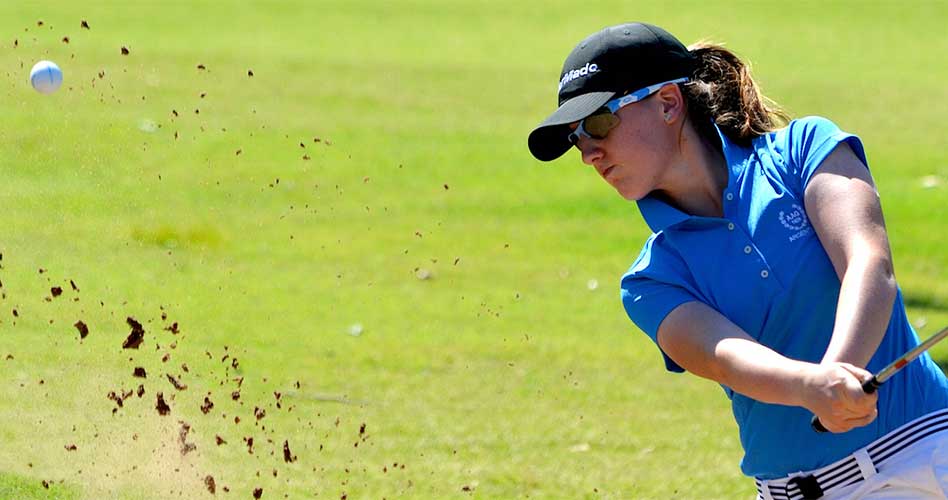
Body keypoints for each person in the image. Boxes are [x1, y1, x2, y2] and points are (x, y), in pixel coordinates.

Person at [527, 22, 948, 500]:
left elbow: (868, 262)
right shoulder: (652, 279)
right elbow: (725, 357)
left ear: (667, 103)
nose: (588, 152)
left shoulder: (805, 149)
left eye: (599, 122)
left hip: (934, 444)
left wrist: (838, 370)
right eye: (576, 138)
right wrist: (813, 385)